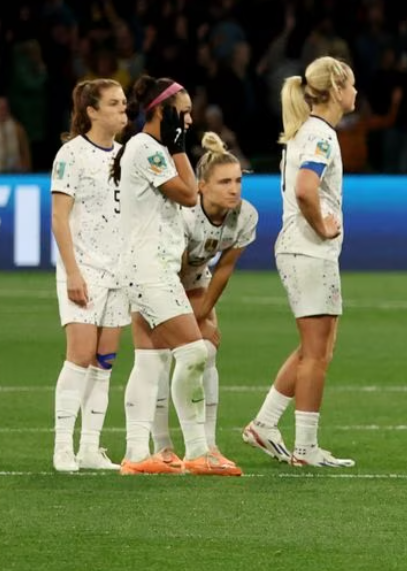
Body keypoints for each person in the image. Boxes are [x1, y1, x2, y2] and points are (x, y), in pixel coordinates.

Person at [113, 75, 239, 476]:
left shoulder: (148, 148)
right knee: (194, 350)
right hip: (149, 267)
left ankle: (137, 454)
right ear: (160, 111)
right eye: (182, 112)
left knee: (150, 361)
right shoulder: (148, 147)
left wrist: (174, 144)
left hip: (150, 265)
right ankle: (199, 450)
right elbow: (189, 193)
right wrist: (178, 146)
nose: (188, 119)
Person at [242, 56, 357, 467]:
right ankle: (305, 448)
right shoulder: (321, 135)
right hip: (308, 249)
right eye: (353, 85)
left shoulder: (308, 131)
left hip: (304, 250)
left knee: (319, 348)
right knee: (316, 352)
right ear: (338, 87)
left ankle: (265, 423)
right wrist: (322, 226)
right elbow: (307, 189)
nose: (356, 93)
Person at [150, 132, 258, 468]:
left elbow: (224, 268)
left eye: (238, 181)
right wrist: (184, 313)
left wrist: (204, 310)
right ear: (201, 186)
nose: (234, 189)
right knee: (162, 358)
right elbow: (172, 268)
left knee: (207, 351)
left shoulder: (246, 216)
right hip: (156, 277)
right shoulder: (182, 214)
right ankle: (163, 446)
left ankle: (208, 445)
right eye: (224, 182)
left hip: (195, 278)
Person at [50, 79, 130, 472]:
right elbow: (59, 217)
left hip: (119, 273)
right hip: (85, 269)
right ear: (92, 111)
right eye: (114, 104)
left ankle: (90, 447)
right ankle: (63, 446)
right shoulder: (72, 155)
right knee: (79, 356)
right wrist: (72, 273)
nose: (123, 109)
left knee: (104, 361)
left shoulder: (126, 155)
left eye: (124, 103)